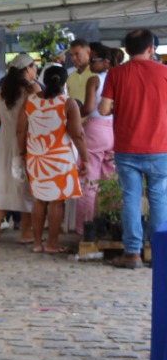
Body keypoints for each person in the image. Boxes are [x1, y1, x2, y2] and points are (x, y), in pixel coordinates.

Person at [98, 29, 167, 270]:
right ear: (151, 49)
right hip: (160, 146)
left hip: (127, 147)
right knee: (159, 198)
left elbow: (103, 109)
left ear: (127, 50)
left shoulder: (115, 74)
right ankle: (159, 254)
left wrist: (122, 107)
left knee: (131, 199)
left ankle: (132, 253)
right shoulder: (164, 72)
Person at [19, 64, 85, 255]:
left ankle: (38, 243)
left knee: (39, 200)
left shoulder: (30, 101)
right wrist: (85, 157)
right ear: (64, 82)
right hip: (60, 158)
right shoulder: (68, 103)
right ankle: (52, 244)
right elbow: (77, 133)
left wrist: (22, 152)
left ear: (44, 80)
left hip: (36, 157)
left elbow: (20, 129)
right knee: (57, 202)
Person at [0, 54, 38, 243]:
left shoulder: (3, 89)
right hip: (23, 140)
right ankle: (25, 232)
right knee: (23, 184)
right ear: (27, 68)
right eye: (34, 67)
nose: (36, 71)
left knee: (6, 182)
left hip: (4, 140)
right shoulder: (30, 90)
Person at [76, 44, 117, 234]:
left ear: (105, 62)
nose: (90, 63)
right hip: (115, 130)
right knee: (111, 181)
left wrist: (73, 111)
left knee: (88, 180)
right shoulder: (118, 78)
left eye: (93, 60)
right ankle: (112, 224)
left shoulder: (94, 80)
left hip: (95, 129)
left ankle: (86, 228)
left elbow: (88, 107)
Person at [66, 40, 93, 104]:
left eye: (77, 54)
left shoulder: (97, 74)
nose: (73, 58)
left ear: (88, 52)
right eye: (71, 55)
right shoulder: (70, 76)